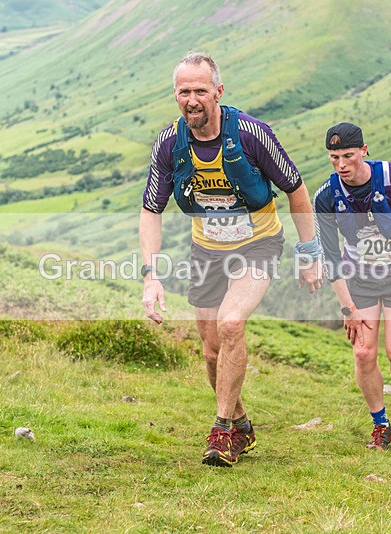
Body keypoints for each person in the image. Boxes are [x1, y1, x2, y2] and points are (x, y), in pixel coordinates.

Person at [140, 52, 321, 467]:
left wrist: (308, 253)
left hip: (258, 244)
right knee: (210, 351)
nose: (192, 100)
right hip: (207, 250)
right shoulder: (169, 144)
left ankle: (221, 431)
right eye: (184, 91)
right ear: (175, 95)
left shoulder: (253, 135)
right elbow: (151, 210)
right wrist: (151, 277)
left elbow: (295, 189)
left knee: (231, 323)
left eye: (201, 90)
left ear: (218, 92)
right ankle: (240, 425)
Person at [313, 122, 391, 450]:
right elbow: (331, 256)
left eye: (348, 155)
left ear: (364, 150)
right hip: (359, 279)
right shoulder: (326, 196)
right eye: (334, 157)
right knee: (363, 353)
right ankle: (380, 424)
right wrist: (346, 307)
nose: (341, 164)